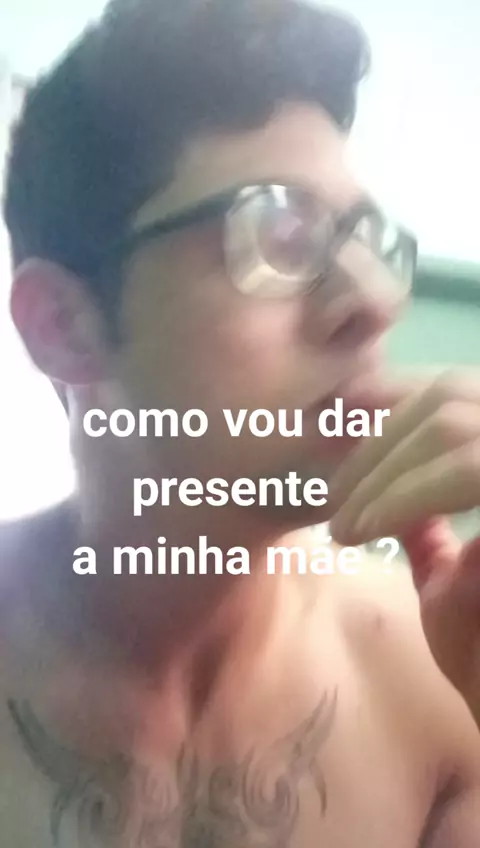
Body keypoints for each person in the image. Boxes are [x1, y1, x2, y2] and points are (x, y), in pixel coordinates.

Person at [1, 0, 480, 845]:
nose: (376, 300)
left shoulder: (440, 676)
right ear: (64, 326)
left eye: (368, 239)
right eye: (280, 231)